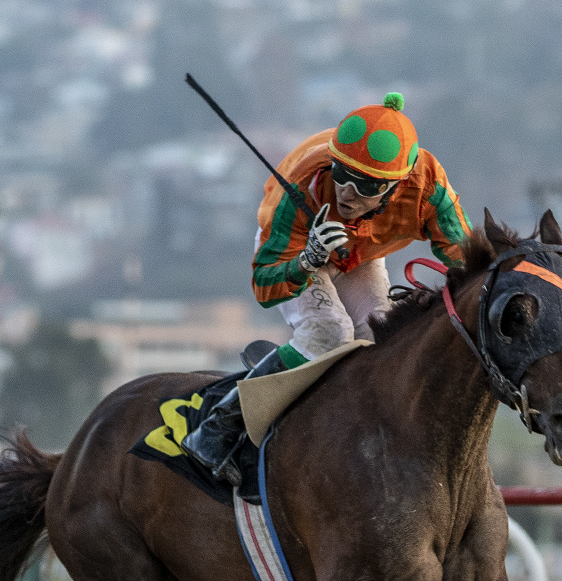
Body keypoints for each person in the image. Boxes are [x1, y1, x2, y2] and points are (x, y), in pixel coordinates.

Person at [182, 92, 472, 486]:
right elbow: (264, 284)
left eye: (365, 185)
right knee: (330, 332)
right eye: (341, 174)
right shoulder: (302, 185)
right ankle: (218, 427)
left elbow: (466, 256)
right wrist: (307, 260)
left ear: (396, 186)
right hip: (299, 252)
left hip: (361, 255)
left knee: (381, 336)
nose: (346, 192)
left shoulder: (429, 185)